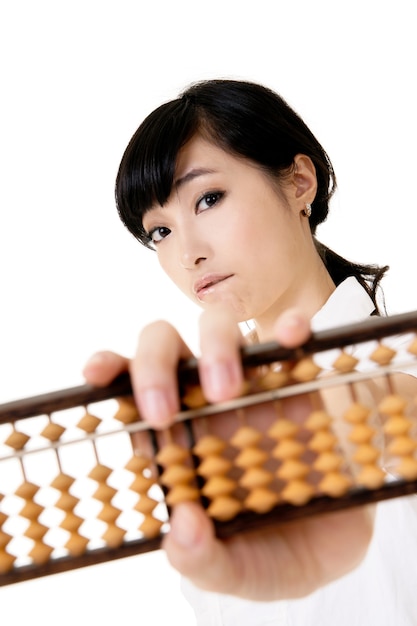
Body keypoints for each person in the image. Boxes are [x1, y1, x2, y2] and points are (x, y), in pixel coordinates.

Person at [83, 80, 417, 625]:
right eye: (160, 231)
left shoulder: (399, 369)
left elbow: (387, 405)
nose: (188, 253)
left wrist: (328, 415)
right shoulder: (215, 445)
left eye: (208, 199)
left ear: (299, 182)